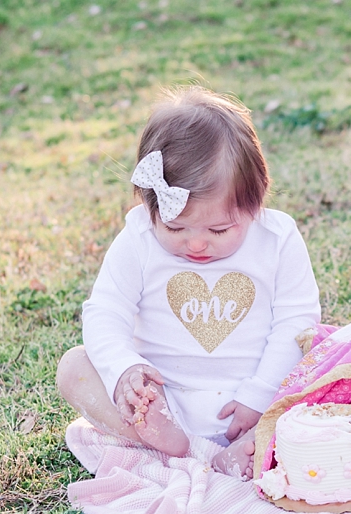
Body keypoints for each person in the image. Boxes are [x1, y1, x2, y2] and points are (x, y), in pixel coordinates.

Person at [57, 87, 320, 479]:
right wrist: (125, 370)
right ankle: (169, 441)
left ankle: (246, 447)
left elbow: (297, 323)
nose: (196, 243)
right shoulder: (139, 238)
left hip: (252, 402)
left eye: (219, 229)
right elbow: (106, 311)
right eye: (176, 227)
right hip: (163, 403)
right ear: (151, 206)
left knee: (324, 366)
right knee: (73, 366)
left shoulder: (277, 239)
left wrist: (261, 393)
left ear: (255, 205)